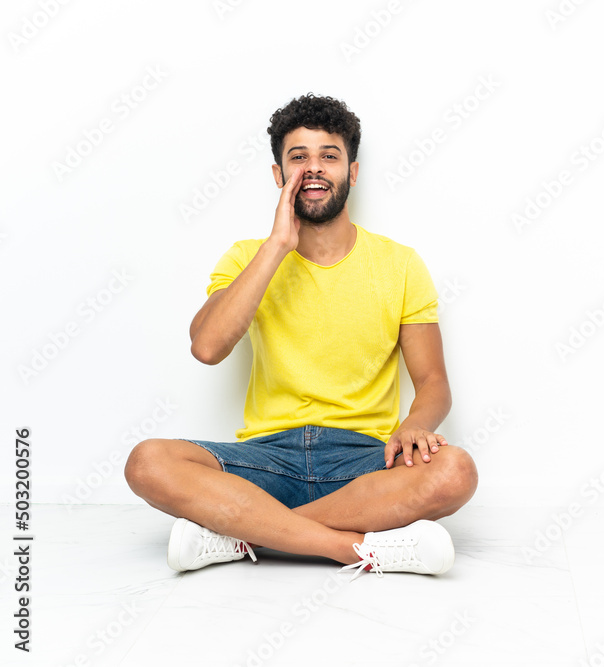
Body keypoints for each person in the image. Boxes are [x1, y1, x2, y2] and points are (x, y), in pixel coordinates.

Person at [124, 93, 478, 580]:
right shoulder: (247, 257)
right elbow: (207, 347)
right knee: (147, 462)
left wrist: (415, 425)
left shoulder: (400, 264)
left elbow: (434, 381)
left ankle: (244, 535)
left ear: (353, 171)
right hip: (267, 459)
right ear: (279, 175)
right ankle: (353, 548)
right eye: (298, 157)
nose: (314, 167)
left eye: (329, 155)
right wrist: (278, 245)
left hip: (364, 462)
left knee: (456, 471)